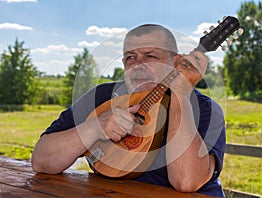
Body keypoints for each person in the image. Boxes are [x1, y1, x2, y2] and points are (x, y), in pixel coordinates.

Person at [31, 24, 226, 197]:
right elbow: (41, 161)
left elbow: (186, 182)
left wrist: (180, 94)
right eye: (130, 57)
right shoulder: (102, 97)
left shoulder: (204, 109)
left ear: (174, 61)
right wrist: (94, 128)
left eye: (150, 56)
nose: (138, 65)